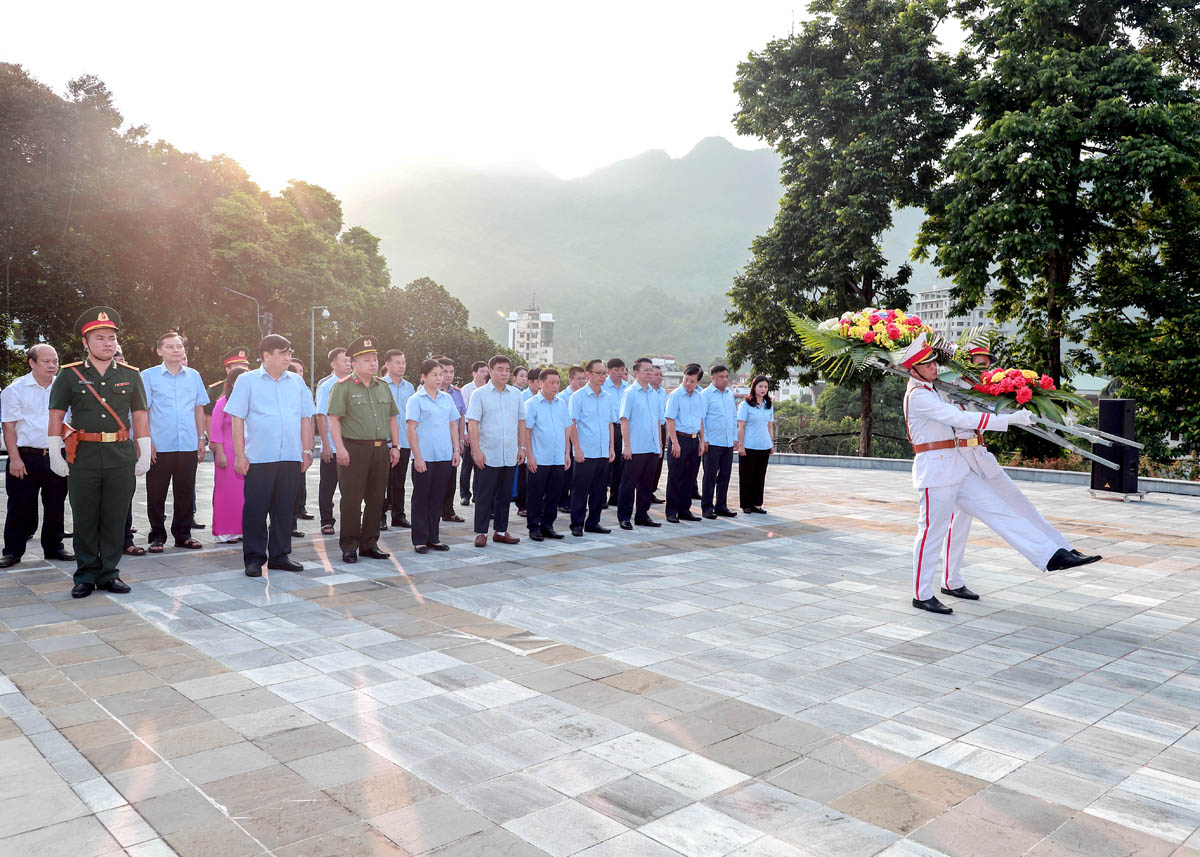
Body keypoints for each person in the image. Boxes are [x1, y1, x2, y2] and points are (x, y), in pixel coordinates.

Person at [900, 334, 1095, 614]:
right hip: (936, 471)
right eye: (927, 364)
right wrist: (1008, 419)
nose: (933, 367)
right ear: (912, 370)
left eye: (933, 361)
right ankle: (921, 593)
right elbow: (960, 419)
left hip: (957, 467)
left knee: (999, 511)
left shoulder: (932, 389)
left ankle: (1051, 555)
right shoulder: (919, 396)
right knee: (932, 532)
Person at [939, 346, 1101, 598]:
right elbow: (966, 420)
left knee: (1019, 503)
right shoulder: (947, 390)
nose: (983, 369)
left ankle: (1063, 548)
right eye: (978, 364)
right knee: (964, 523)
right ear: (965, 364)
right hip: (959, 459)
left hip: (980, 456)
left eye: (986, 364)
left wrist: (1049, 417)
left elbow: (1008, 412)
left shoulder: (985, 389)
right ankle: (951, 580)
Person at [48, 307, 151, 598]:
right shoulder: (69, 375)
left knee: (115, 517)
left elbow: (140, 416)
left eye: (111, 338)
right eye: (100, 338)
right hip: (84, 455)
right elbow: (56, 415)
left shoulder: (131, 375)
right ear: (86, 342)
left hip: (120, 454)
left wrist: (144, 451)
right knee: (84, 517)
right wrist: (55, 452)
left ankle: (109, 573)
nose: (107, 343)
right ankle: (85, 574)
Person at [224, 335, 315, 578]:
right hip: (259, 458)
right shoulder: (247, 380)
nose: (288, 357)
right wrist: (240, 454)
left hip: (290, 456)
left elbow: (306, 417)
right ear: (266, 356)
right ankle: (253, 559)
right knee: (255, 509)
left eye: (289, 352)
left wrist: (306, 451)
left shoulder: (296, 381)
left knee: (284, 509)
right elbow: (236, 418)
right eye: (282, 353)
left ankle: (280, 555)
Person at [327, 335, 400, 564]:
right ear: (354, 363)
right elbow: (334, 419)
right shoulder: (343, 387)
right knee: (351, 499)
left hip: (380, 450)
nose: (373, 363)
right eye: (367, 359)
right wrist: (340, 448)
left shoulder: (383, 387)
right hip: (354, 449)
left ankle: (370, 543)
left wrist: (395, 446)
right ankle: (349, 545)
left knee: (377, 499)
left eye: (375, 358)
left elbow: (392, 419)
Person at [1, 344, 73, 567]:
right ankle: (12, 551)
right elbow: (9, 426)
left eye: (55, 361)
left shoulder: (65, 388)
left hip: (56, 455)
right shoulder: (16, 389)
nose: (52, 365)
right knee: (20, 505)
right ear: (32, 363)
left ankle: (54, 547)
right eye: (46, 361)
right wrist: (14, 458)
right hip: (26, 456)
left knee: (56, 504)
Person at [140, 332, 208, 552]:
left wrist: (200, 438)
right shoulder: (149, 376)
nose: (176, 350)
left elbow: (199, 408)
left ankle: (183, 534)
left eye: (179, 346)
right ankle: (157, 535)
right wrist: (146, 442)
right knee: (156, 492)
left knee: (186, 491)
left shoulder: (194, 375)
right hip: (160, 445)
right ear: (159, 351)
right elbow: (144, 412)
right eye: (170, 347)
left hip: (187, 443)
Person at [465, 355, 525, 548]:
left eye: (507, 370)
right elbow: (473, 423)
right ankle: (481, 532)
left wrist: (521, 447)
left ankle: (500, 530)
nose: (504, 373)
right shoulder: (480, 394)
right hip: (488, 453)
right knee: (484, 494)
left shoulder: (516, 394)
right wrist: (476, 450)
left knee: (505, 495)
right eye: (500, 369)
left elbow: (521, 422)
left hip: (509, 453)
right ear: (490, 371)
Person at [405, 358, 461, 553]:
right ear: (423, 377)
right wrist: (417, 457)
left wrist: (456, 449)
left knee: (437, 498)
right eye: (435, 375)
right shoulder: (416, 400)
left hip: (444, 455)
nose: (440, 378)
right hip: (424, 456)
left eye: (441, 374)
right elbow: (411, 430)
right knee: (421, 498)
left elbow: (453, 424)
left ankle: (433, 537)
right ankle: (419, 539)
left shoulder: (447, 398)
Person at [568, 359, 616, 537]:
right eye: (599, 373)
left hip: (603, 451)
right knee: (581, 490)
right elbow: (572, 424)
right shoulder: (578, 397)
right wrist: (577, 449)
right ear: (588, 374)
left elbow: (610, 424)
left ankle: (593, 522)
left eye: (604, 373)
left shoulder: (608, 397)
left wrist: (611, 448)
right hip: (585, 452)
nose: (603, 377)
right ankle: (577, 524)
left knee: (599, 490)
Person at [524, 367, 572, 541]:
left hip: (557, 457)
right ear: (540, 383)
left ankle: (548, 525)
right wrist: (529, 456)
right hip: (539, 457)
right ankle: (534, 526)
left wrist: (567, 454)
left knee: (554, 493)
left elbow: (567, 429)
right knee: (535, 494)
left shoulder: (561, 404)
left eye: (558, 382)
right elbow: (526, 432)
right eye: (551, 382)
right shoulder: (531, 404)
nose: (555, 386)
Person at [617, 358, 662, 529]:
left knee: (646, 484)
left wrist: (658, 444)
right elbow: (624, 420)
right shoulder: (630, 393)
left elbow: (658, 421)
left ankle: (642, 514)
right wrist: (627, 446)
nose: (650, 373)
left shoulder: (654, 393)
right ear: (636, 373)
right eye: (646, 370)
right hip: (634, 448)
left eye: (652, 370)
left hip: (651, 447)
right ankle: (624, 517)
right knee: (628, 484)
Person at [315, 347, 352, 535]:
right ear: (333, 364)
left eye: (349, 360)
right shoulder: (326, 386)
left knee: (352, 487)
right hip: (332, 445)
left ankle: (352, 518)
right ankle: (327, 520)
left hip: (352, 445)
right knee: (328, 485)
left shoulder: (356, 383)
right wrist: (326, 445)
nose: (348, 363)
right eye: (344, 360)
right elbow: (321, 416)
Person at [209, 366, 248, 543]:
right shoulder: (222, 402)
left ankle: (241, 528)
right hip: (227, 453)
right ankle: (225, 531)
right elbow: (215, 429)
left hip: (246, 452)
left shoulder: (250, 401)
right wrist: (220, 452)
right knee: (227, 493)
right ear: (232, 383)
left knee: (244, 494)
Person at [665, 363, 706, 523]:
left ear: (698, 382)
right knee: (675, 476)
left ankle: (684, 509)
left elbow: (701, 420)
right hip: (679, 439)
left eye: (692, 381)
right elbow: (670, 420)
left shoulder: (699, 396)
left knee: (690, 477)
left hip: (694, 440)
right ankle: (671, 511)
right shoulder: (675, 395)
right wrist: (674, 442)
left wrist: (703, 441)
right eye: (686, 379)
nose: (688, 383)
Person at [380, 349, 416, 531]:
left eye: (403, 362)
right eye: (397, 363)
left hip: (404, 441)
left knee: (399, 482)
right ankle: (379, 517)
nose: (401, 366)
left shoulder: (409, 387)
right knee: (381, 482)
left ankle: (398, 516)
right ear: (387, 364)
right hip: (384, 442)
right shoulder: (379, 385)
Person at [700, 364, 739, 520]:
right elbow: (701, 418)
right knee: (710, 475)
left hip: (728, 441)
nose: (725, 380)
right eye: (721, 377)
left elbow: (733, 417)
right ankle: (707, 507)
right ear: (713, 377)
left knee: (725, 475)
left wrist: (735, 437)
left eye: (726, 376)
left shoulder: (730, 394)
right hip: (712, 442)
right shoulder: (705, 395)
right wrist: (705, 439)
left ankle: (721, 506)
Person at [737, 375, 775, 514]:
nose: (763, 389)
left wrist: (771, 444)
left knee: (760, 476)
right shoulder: (745, 405)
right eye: (760, 386)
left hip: (764, 445)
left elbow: (769, 426)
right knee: (747, 476)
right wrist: (741, 445)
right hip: (749, 446)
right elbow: (741, 427)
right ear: (754, 387)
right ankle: (746, 504)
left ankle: (757, 504)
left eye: (765, 387)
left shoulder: (769, 405)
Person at [438, 357, 467, 524]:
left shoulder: (457, 393)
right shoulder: (426, 391)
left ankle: (448, 510)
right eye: (444, 372)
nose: (448, 375)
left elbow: (461, 417)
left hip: (453, 442)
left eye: (451, 372)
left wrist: (461, 439)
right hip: (437, 442)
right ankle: (434, 510)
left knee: (450, 478)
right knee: (436, 479)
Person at [458, 360, 489, 506]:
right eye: (481, 371)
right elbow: (463, 415)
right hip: (469, 431)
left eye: (486, 371)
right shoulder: (466, 389)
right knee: (467, 466)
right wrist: (465, 434)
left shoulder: (489, 389)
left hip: (484, 434)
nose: (484, 374)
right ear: (474, 373)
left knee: (481, 465)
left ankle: (477, 494)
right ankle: (465, 495)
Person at [557, 366, 587, 512]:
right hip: (566, 438)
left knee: (578, 475)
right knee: (566, 473)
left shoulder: (585, 396)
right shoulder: (563, 397)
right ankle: (562, 501)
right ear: (570, 380)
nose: (582, 382)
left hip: (580, 439)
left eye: (584, 378)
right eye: (579, 379)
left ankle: (575, 501)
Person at [287, 357, 312, 534]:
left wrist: (307, 449)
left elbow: (309, 420)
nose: (299, 375)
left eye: (302, 371)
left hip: (298, 448)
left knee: (296, 488)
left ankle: (292, 523)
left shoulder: (305, 390)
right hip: (283, 449)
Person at [602, 358, 630, 506]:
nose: (620, 373)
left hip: (623, 427)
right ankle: (601, 497)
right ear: (609, 370)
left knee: (621, 463)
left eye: (622, 370)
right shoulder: (603, 386)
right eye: (616, 370)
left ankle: (615, 496)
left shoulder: (627, 387)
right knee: (606, 463)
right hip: (609, 427)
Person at [515, 367, 542, 517]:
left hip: (539, 443)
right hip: (523, 441)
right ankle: (522, 505)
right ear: (531, 382)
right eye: (538, 381)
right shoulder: (522, 397)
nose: (541, 384)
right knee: (523, 475)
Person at [650, 365, 668, 504]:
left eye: (661, 375)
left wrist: (666, 434)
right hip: (649, 428)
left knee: (658, 462)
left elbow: (666, 416)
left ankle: (651, 491)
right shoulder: (647, 392)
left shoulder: (663, 393)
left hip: (661, 427)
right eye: (656, 374)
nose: (659, 377)